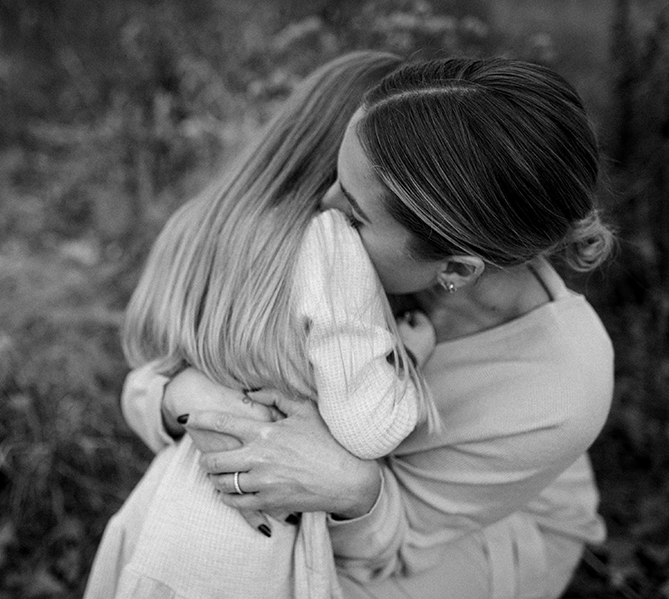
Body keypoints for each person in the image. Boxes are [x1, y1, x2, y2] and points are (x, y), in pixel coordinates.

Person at [119, 55, 616, 599]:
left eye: (353, 214)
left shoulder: (561, 388)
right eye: (336, 178)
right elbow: (160, 372)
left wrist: (356, 490)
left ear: (454, 268)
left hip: (481, 540)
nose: (323, 208)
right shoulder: (374, 227)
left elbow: (397, 547)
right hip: (390, 521)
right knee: (196, 506)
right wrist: (179, 397)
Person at [84, 50, 436, 599]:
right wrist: (408, 358)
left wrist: (186, 394)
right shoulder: (339, 265)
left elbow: (149, 365)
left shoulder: (202, 225)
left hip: (159, 522)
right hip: (256, 560)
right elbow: (358, 422)